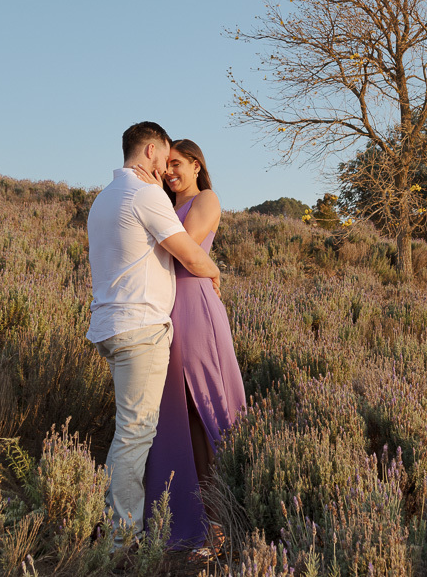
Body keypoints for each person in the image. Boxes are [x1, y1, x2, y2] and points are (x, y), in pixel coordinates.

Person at [86, 122, 220, 546]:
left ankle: (125, 524)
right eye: (164, 157)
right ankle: (123, 537)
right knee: (135, 433)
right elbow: (190, 256)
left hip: (110, 326)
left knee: (131, 428)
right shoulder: (145, 195)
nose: (164, 168)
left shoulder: (103, 198)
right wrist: (215, 270)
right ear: (149, 150)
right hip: (140, 327)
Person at [136, 139, 246, 552]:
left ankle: (222, 521)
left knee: (206, 410)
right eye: (165, 166)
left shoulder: (206, 199)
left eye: (177, 164)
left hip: (197, 310)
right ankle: (187, 519)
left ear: (197, 165)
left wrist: (151, 191)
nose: (169, 172)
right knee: (176, 416)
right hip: (166, 311)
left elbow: (182, 248)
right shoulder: (163, 204)